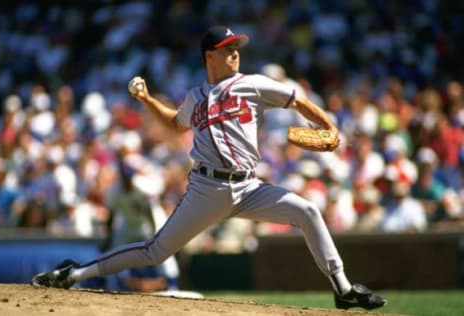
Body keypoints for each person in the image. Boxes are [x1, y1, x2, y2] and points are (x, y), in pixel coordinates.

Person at [31, 25, 386, 310]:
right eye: (227, 48)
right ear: (209, 56)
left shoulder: (252, 84)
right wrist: (146, 99)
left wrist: (330, 127)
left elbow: (299, 101)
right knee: (155, 252)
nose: (235, 53)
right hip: (206, 189)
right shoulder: (196, 97)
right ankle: (73, 273)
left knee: (308, 210)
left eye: (237, 48)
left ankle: (342, 289)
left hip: (249, 188)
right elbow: (174, 123)